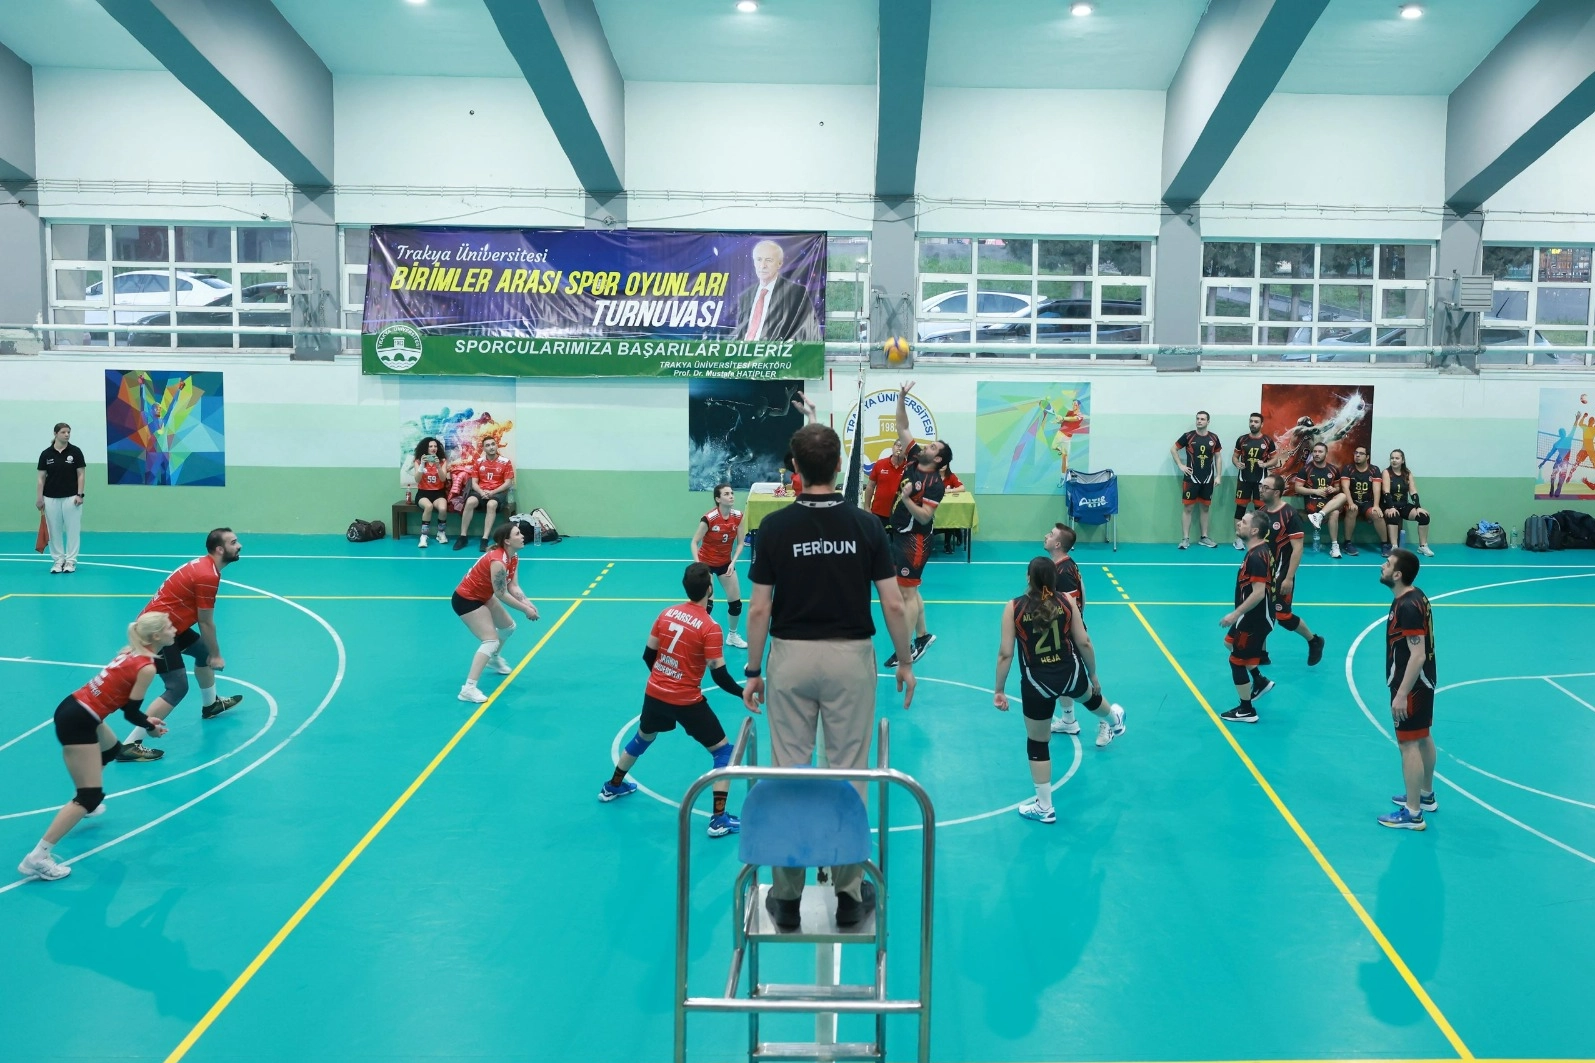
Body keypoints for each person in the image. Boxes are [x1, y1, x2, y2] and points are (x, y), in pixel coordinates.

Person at [742, 422, 915, 930]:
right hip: (850, 659)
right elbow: (893, 604)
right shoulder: (866, 526)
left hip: (790, 658)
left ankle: (787, 898)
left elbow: (759, 609)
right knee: (849, 772)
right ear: (839, 466)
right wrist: (904, 660)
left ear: (795, 468)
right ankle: (848, 894)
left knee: (789, 772)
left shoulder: (774, 527)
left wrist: (753, 670)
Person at [17, 612, 178, 881]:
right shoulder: (147, 667)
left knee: (112, 750)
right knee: (88, 795)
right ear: (156, 636)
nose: (174, 629)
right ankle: (38, 857)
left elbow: (127, 706)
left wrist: (146, 720)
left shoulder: (131, 651)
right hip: (80, 720)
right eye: (170, 626)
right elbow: (130, 712)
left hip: (75, 706)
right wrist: (150, 728)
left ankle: (85, 806)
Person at [599, 562, 747, 838]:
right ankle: (718, 819)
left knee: (642, 738)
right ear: (710, 589)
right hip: (687, 700)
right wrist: (743, 693)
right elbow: (719, 675)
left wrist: (664, 678)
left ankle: (613, 785)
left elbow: (648, 655)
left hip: (655, 693)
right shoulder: (710, 627)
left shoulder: (666, 614)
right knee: (723, 752)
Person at [995, 558, 1126, 824]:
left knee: (1038, 742)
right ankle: (1114, 719)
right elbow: (1084, 642)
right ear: (1054, 579)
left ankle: (1044, 806)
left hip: (1037, 684)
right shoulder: (1066, 600)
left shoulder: (1014, 607)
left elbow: (1005, 653)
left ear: (1028, 577)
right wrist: (1093, 673)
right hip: (1070, 673)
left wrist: (999, 689)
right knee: (1089, 698)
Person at [118, 528, 246, 762]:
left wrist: (210, 653)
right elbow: (205, 622)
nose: (239, 546)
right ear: (220, 549)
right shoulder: (207, 576)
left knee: (202, 653)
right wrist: (217, 655)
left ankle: (211, 705)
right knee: (177, 687)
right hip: (157, 634)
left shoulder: (206, 567)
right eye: (234, 542)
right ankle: (130, 744)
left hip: (171, 625)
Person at [884, 382, 951, 667]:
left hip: (916, 540)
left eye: (933, 446)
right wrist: (901, 397)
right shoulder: (914, 458)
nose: (927, 445)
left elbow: (925, 516)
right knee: (909, 589)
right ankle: (922, 636)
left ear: (938, 459)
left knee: (906, 593)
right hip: (900, 534)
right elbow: (902, 425)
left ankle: (907, 649)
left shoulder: (935, 484)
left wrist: (905, 498)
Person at [1378, 547, 1437, 831]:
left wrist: (1401, 694)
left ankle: (1413, 814)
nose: (1383, 566)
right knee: (1422, 736)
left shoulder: (1407, 607)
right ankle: (1425, 795)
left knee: (1408, 743)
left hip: (1411, 685)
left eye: (1388, 564)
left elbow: (1417, 654)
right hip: (1422, 682)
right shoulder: (1413, 596)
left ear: (1397, 575)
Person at [453, 520, 540, 703]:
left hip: (484, 595)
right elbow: (501, 593)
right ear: (507, 541)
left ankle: (493, 658)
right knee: (490, 640)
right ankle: (468, 689)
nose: (522, 536)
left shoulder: (513, 557)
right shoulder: (498, 561)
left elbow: (513, 586)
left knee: (508, 627)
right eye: (517, 534)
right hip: (466, 599)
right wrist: (525, 610)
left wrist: (528, 603)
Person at [1260, 475, 1326, 666]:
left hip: (1281, 573)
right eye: (1261, 486)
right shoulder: (1261, 513)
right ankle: (1262, 654)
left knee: (1283, 617)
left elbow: (1297, 548)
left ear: (1277, 492)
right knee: (1260, 612)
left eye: (1266, 487)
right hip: (1263, 573)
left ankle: (1314, 640)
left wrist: (1288, 578)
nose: (1261, 490)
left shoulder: (1289, 515)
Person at [1219, 511, 1275, 725]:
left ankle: (1246, 709)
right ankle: (1259, 680)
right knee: (1229, 643)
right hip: (1251, 616)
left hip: (1254, 619)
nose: (1239, 524)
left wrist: (1235, 614)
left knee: (1236, 661)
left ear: (1254, 530)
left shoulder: (1256, 557)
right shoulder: (1257, 550)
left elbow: (1258, 593)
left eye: (1244, 522)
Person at [690, 483, 749, 649]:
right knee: (707, 606)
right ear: (718, 499)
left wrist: (733, 562)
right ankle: (700, 637)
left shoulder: (738, 516)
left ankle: (732, 636)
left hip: (725, 563)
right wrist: (699, 565)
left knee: (736, 604)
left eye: (732, 493)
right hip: (706, 564)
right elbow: (694, 542)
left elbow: (741, 543)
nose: (731, 496)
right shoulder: (709, 519)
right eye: (726, 494)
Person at [1043, 522, 1086, 736]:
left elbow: (1070, 605)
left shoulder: (1063, 572)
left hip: (1068, 635)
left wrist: (1073, 630)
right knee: (1062, 679)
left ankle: (1109, 718)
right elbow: (1083, 592)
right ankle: (1068, 720)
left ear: (1058, 544)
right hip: (1060, 633)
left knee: (1081, 685)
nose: (1046, 536)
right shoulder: (1064, 565)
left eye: (1051, 534)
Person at [735, 239, 822, 343]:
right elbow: (741, 333)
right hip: (744, 350)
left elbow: (808, 331)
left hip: (774, 351)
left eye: (769, 260)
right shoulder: (745, 296)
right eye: (759, 259)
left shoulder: (796, 293)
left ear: (779, 263)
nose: (762, 265)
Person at [37, 422, 87, 574]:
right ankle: (58, 561)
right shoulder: (46, 454)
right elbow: (41, 478)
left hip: (71, 498)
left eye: (68, 432)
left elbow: (81, 474)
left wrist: (79, 494)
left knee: (73, 530)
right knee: (54, 531)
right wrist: (39, 498)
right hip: (50, 498)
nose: (67, 435)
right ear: (55, 434)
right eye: (63, 432)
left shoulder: (75, 452)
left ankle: (71, 561)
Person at [1171, 410, 1222, 548]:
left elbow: (1218, 457)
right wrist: (1180, 465)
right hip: (1191, 479)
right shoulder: (1188, 436)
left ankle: (1204, 537)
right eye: (1198, 418)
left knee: (1205, 508)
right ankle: (1185, 539)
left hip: (1208, 479)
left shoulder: (1214, 438)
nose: (1199, 421)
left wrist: (1218, 475)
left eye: (1202, 419)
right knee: (1188, 508)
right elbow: (1173, 449)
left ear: (1208, 421)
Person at [454, 436, 514, 552]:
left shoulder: (505, 462)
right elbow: (474, 483)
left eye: (493, 444)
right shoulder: (478, 462)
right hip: (481, 491)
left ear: (496, 445)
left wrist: (492, 492)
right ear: (484, 448)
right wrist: (482, 492)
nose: (491, 447)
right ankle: (463, 536)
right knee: (470, 501)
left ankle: (485, 538)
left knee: (491, 504)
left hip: (497, 492)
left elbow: (507, 483)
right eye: (488, 445)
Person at [1231, 412, 1278, 548]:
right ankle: (1238, 539)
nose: (1253, 424)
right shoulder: (1242, 440)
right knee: (1240, 509)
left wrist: (1266, 464)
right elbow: (1235, 457)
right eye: (1251, 421)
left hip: (1261, 482)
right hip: (1243, 480)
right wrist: (1236, 463)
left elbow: (1275, 459)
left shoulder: (1267, 441)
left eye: (1256, 422)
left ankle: (1260, 539)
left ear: (1262, 424)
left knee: (1260, 511)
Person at [1381, 449, 1434, 558]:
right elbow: (1386, 492)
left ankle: (1423, 546)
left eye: (1397, 458)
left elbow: (1413, 491)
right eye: (1392, 458)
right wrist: (1391, 507)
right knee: (1393, 515)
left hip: (1404, 505)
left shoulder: (1407, 473)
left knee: (1423, 517)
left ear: (1403, 460)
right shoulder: (1386, 472)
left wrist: (1418, 507)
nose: (1394, 460)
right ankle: (1394, 547)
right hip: (1389, 506)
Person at [1339, 445, 1385, 557]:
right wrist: (1350, 503)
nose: (1357, 455)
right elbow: (1345, 487)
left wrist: (1376, 505)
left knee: (1377, 514)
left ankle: (1385, 544)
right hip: (1352, 501)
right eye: (1356, 453)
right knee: (1352, 510)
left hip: (1367, 502)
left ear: (1367, 457)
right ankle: (1347, 543)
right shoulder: (1348, 468)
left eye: (1361, 453)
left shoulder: (1374, 470)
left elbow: (1377, 489)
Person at [1294, 442, 1339, 552]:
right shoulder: (1306, 469)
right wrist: (1316, 491)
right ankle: (1332, 543)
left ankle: (1334, 545)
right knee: (1334, 512)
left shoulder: (1333, 469)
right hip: (1312, 503)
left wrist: (1333, 489)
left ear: (1326, 454)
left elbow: (1338, 487)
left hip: (1328, 502)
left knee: (1341, 498)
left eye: (1320, 452)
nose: (1317, 454)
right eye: (1315, 451)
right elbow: (1297, 488)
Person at [409, 436, 450, 548]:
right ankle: (423, 536)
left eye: (435, 446)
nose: (433, 448)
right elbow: (417, 479)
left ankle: (441, 533)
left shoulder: (442, 461)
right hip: (423, 493)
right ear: (426, 448)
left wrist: (438, 466)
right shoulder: (418, 461)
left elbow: (443, 479)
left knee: (443, 508)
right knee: (428, 506)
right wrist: (422, 464)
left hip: (438, 493)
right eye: (430, 446)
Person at [862, 437, 908, 528]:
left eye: (903, 447)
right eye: (898, 445)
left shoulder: (910, 468)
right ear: (893, 447)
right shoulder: (880, 464)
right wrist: (867, 507)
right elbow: (870, 486)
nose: (900, 448)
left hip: (901, 514)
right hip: (878, 513)